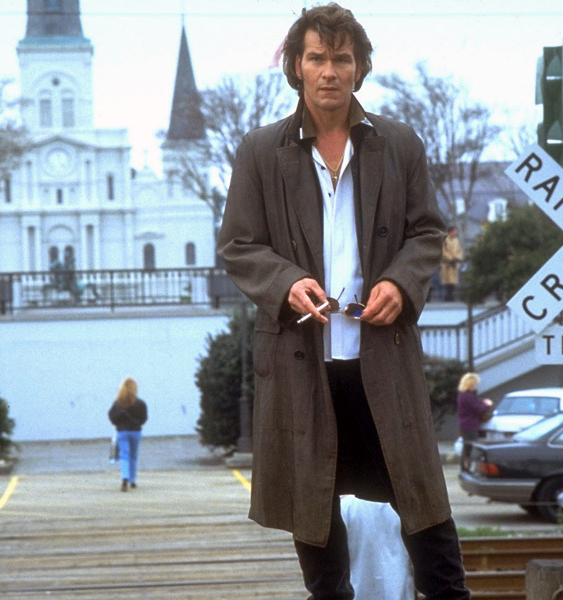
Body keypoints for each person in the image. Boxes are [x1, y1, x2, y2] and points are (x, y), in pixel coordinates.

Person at [217, 4, 471, 599]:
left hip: (382, 360)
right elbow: (238, 244)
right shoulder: (260, 151)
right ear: (296, 67)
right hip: (302, 364)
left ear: (359, 68)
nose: (329, 71)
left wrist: (400, 284)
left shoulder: (399, 144)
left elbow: (427, 232)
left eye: (341, 58)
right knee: (316, 528)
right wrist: (286, 283)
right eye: (316, 58)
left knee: (426, 513)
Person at [108, 377, 148, 492]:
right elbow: (144, 419)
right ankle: (132, 480)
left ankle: (124, 478)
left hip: (122, 432)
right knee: (133, 456)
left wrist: (118, 423)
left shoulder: (118, 403)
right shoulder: (140, 403)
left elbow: (111, 416)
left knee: (124, 455)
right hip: (135, 432)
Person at [456, 373, 493, 468]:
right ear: (470, 384)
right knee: (470, 448)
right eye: (475, 383)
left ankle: (465, 467)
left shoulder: (463, 395)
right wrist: (487, 404)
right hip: (470, 425)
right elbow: (478, 408)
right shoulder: (467, 396)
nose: (476, 386)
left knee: (467, 448)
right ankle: (466, 468)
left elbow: (475, 403)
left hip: (465, 425)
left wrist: (482, 402)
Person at [441, 225, 463, 301]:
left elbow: (459, 251)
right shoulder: (445, 240)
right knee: (447, 281)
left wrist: (457, 258)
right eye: (454, 231)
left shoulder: (456, 241)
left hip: (454, 264)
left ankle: (451, 296)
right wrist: (450, 258)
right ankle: (447, 296)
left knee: (453, 281)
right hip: (447, 263)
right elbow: (443, 251)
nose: (455, 232)